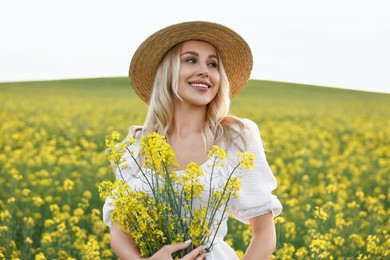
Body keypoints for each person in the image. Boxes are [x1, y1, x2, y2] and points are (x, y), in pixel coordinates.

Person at [102, 21, 283, 260]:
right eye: (190, 60)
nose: (205, 71)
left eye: (212, 64)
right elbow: (120, 232)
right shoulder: (135, 145)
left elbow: (264, 234)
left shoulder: (236, 137)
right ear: (167, 72)